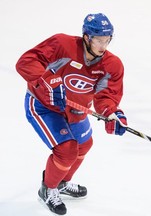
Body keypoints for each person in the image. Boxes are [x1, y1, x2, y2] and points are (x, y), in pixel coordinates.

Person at [15, 13, 127, 215]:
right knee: (67, 150)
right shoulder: (61, 44)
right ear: (86, 37)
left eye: (107, 40)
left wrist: (111, 113)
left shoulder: (112, 65)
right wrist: (48, 80)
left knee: (84, 145)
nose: (103, 45)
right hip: (43, 106)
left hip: (75, 110)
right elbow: (26, 62)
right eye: (98, 40)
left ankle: (61, 183)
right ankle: (48, 189)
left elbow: (105, 96)